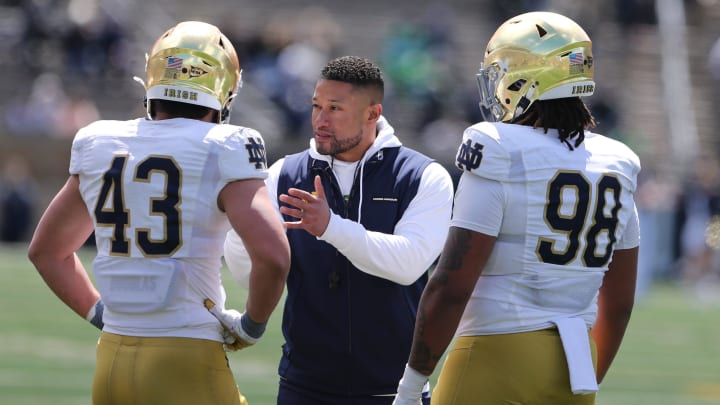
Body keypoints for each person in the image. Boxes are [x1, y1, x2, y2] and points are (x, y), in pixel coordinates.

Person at [27, 21, 291, 405]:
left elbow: (47, 251)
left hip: (111, 361)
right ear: (225, 89)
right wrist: (251, 325)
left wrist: (99, 312)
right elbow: (273, 256)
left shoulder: (100, 141)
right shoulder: (226, 145)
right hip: (187, 358)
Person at [393, 12, 641, 405]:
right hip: (574, 369)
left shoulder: (498, 146)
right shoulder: (617, 161)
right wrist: (590, 377)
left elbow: (451, 285)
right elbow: (620, 301)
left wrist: (408, 388)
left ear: (527, 77)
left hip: (494, 356)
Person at [223, 55, 454, 404]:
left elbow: (409, 264)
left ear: (372, 114)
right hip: (304, 386)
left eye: (334, 108)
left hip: (395, 390)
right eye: (316, 106)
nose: (320, 119)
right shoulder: (283, 174)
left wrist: (331, 226)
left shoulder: (422, 175)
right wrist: (242, 233)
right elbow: (246, 274)